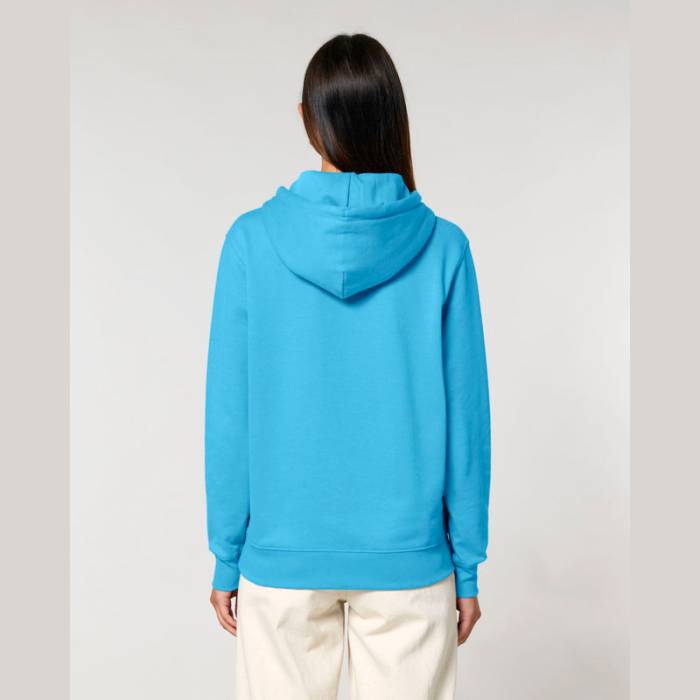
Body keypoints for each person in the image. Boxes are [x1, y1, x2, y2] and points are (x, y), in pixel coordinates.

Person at [205, 33, 491, 700]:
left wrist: (227, 555)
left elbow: (229, 416)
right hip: (409, 564)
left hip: (282, 561)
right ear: (392, 118)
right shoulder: (443, 247)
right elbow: (467, 424)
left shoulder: (250, 241)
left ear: (308, 120)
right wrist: (467, 567)